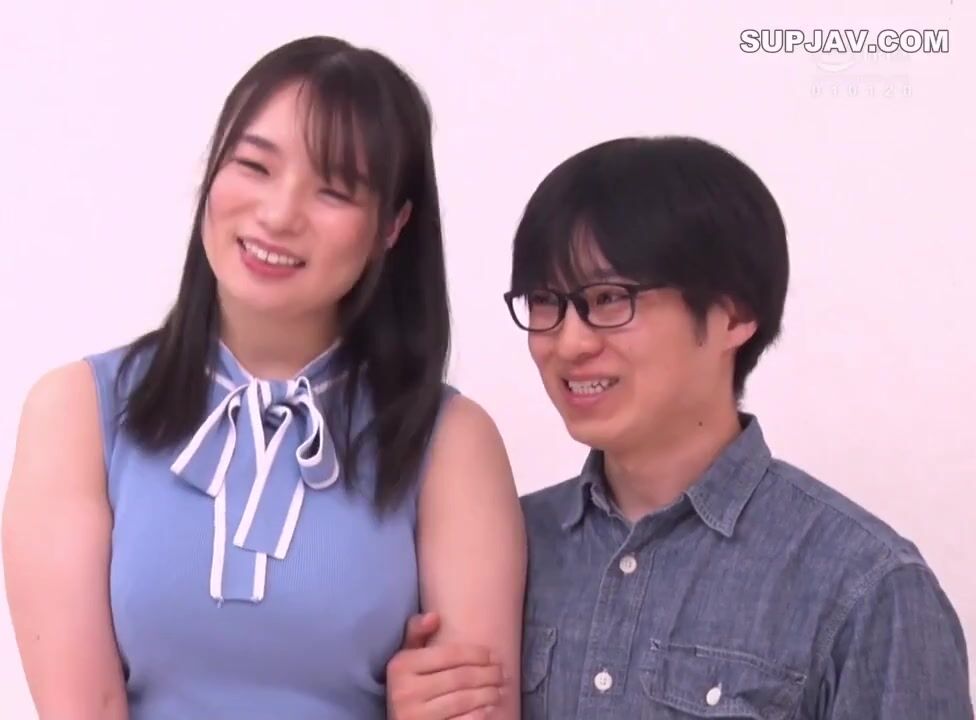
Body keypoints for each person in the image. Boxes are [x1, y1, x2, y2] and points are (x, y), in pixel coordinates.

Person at [2, 36, 525, 720]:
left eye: (334, 190)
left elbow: (473, 708)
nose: (279, 215)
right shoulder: (77, 411)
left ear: (392, 227)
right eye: (254, 166)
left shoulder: (450, 440)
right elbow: (83, 708)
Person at [385, 136, 972, 719]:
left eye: (609, 299)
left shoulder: (868, 586)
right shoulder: (498, 549)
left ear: (734, 315)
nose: (568, 342)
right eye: (545, 301)